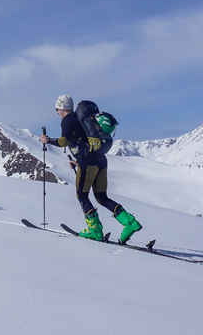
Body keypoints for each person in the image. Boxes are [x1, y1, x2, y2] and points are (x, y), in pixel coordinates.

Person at [40, 94, 142, 243]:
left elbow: (64, 142)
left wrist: (47, 140)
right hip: (100, 160)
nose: (57, 112)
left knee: (82, 196)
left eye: (57, 109)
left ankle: (94, 229)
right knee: (102, 197)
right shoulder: (80, 119)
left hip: (88, 162)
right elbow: (85, 143)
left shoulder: (68, 120)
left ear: (62, 107)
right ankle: (130, 222)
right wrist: (77, 160)